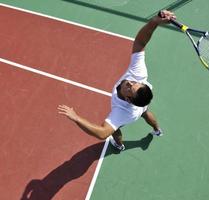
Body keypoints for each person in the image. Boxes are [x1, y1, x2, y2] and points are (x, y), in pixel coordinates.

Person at [58, 10, 176, 151]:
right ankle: (157, 129)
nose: (130, 82)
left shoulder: (121, 112)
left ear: (128, 99)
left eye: (130, 88)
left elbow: (102, 133)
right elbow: (140, 42)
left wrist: (76, 117)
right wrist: (154, 22)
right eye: (135, 84)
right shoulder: (138, 75)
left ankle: (119, 145)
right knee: (145, 111)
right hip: (140, 106)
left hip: (131, 114)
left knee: (115, 128)